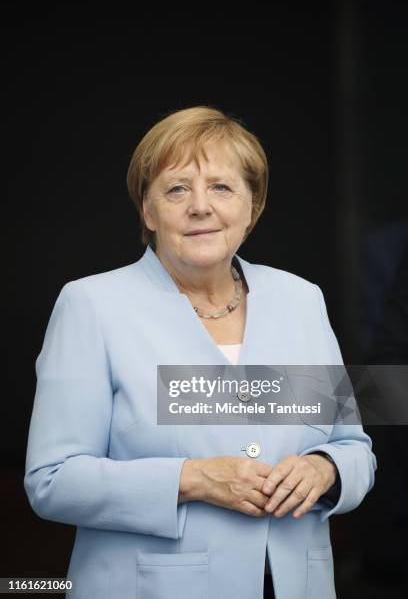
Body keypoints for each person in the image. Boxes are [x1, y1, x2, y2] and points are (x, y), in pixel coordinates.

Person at [24, 106, 377, 599]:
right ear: (147, 211)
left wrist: (326, 469)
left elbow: (354, 449)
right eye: (177, 189)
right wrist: (193, 479)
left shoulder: (300, 300)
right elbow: (52, 480)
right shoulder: (92, 306)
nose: (200, 206)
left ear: (252, 205)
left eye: (221, 186)